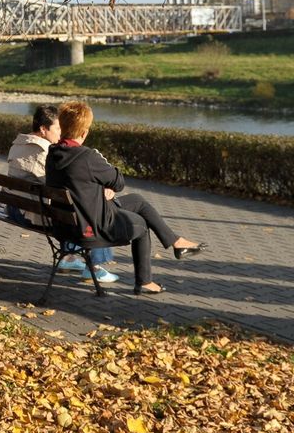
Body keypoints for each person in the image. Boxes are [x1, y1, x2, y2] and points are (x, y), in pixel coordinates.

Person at [45, 100, 203, 295]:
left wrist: (97, 185)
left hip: (66, 225)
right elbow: (118, 182)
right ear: (85, 132)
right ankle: (144, 282)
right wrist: (101, 166)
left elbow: (79, 182)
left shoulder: (53, 153)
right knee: (141, 225)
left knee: (137, 200)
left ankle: (176, 242)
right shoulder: (87, 157)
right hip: (91, 227)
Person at [7, 105, 117, 284]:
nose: (62, 133)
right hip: (30, 214)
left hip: (13, 207)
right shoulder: (45, 151)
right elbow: (59, 187)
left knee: (68, 205)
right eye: (58, 128)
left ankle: (69, 258)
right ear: (43, 129)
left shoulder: (18, 144)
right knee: (87, 207)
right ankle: (95, 266)